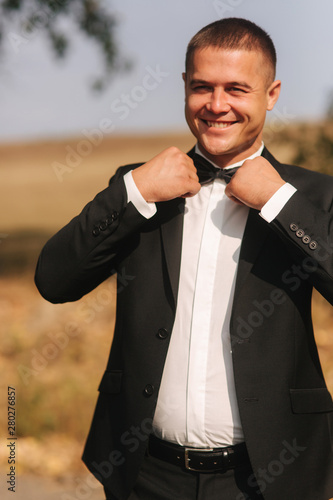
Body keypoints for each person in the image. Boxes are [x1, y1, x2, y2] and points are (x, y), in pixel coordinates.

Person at [35, 18, 333, 500]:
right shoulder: (140, 187)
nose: (217, 105)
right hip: (144, 474)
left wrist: (278, 201)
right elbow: (54, 279)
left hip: (270, 479)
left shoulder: (313, 196)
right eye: (202, 87)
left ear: (271, 93)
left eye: (236, 88)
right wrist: (135, 191)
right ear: (184, 87)